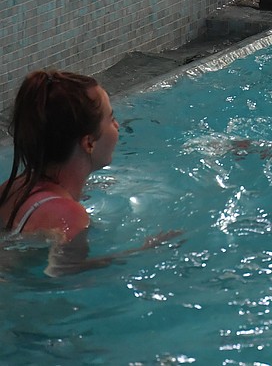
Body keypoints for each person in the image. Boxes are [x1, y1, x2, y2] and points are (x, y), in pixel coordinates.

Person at [0, 70, 176, 274]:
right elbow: (64, 274)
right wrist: (142, 253)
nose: (117, 126)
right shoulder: (70, 215)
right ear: (89, 142)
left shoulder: (13, 187)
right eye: (111, 118)